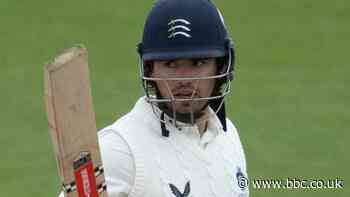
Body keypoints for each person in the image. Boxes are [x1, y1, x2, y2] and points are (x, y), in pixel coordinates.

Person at [60, 0, 248, 196]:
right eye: (170, 64)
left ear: (221, 66)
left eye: (198, 62)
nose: (184, 78)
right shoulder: (118, 150)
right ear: (150, 69)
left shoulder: (228, 137)